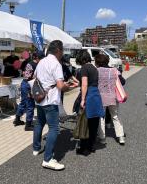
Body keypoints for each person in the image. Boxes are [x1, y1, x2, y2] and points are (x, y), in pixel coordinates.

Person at [33, 40, 77, 171]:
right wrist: (70, 87)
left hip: (39, 98)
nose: (63, 53)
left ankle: (36, 148)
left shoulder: (41, 62)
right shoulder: (56, 64)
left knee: (39, 123)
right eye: (62, 50)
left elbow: (35, 77)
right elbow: (60, 86)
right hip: (50, 100)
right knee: (54, 129)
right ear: (58, 50)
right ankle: (47, 159)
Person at [76, 51, 104, 156]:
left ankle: (84, 148)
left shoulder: (84, 68)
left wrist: (83, 99)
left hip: (89, 95)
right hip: (96, 95)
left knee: (85, 122)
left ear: (82, 59)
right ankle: (91, 146)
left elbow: (84, 84)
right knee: (94, 123)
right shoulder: (94, 68)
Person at [95, 54, 126, 145]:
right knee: (115, 116)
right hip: (113, 97)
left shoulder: (96, 71)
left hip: (100, 97)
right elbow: (123, 81)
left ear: (97, 62)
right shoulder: (115, 70)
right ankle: (121, 137)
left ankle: (102, 138)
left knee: (101, 117)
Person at [13, 52, 44, 131]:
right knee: (30, 105)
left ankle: (17, 120)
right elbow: (27, 76)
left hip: (25, 84)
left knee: (23, 103)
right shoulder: (32, 65)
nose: (42, 60)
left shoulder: (31, 64)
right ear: (37, 58)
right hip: (28, 85)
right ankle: (28, 125)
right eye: (41, 58)